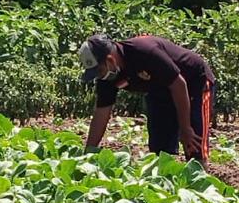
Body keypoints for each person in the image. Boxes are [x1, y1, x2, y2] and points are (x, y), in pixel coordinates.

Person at [79, 33, 216, 164]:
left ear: (110, 60)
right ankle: (165, 178)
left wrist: (185, 128)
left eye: (99, 71)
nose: (99, 76)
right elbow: (101, 113)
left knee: (193, 145)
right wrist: (88, 153)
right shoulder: (107, 77)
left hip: (194, 82)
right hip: (160, 91)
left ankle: (200, 174)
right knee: (160, 150)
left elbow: (179, 85)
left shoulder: (144, 51)